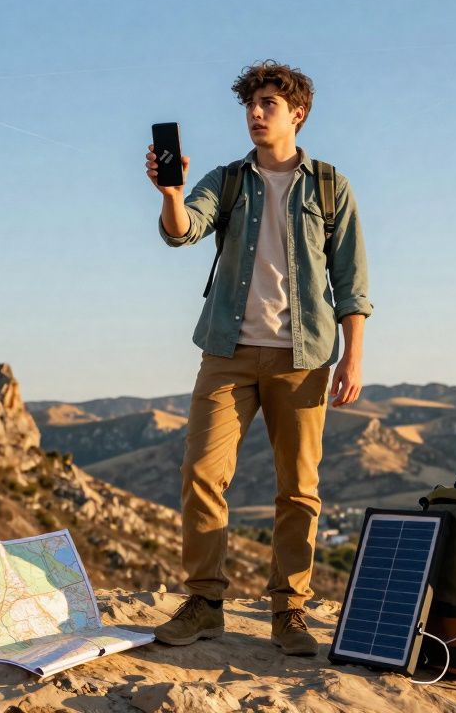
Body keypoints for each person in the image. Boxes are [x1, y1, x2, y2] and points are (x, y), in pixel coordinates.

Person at [143, 59, 373, 656]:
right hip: (229, 351)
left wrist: (352, 359)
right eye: (250, 104)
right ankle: (203, 603)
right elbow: (180, 231)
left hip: (303, 358)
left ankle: (289, 611)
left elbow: (351, 281)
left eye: (268, 103)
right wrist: (171, 192)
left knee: (298, 488)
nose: (255, 113)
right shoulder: (226, 181)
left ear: (297, 113)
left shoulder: (330, 186)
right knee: (202, 475)